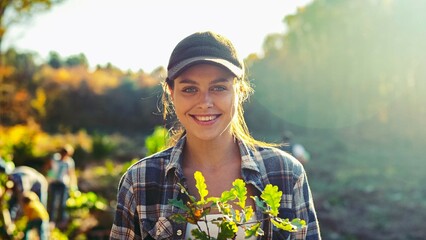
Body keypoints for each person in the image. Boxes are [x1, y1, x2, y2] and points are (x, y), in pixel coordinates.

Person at [110, 31, 321, 239]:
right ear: (171, 93)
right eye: (190, 89)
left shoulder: (286, 173)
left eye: (219, 87)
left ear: (240, 91)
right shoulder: (140, 181)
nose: (205, 102)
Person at [46, 144, 78, 226]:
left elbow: (71, 173)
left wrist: (74, 185)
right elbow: (49, 168)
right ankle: (51, 220)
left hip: (63, 183)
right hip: (53, 182)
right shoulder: (55, 158)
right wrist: (48, 177)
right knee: (52, 202)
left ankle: (61, 221)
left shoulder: (69, 162)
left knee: (62, 202)